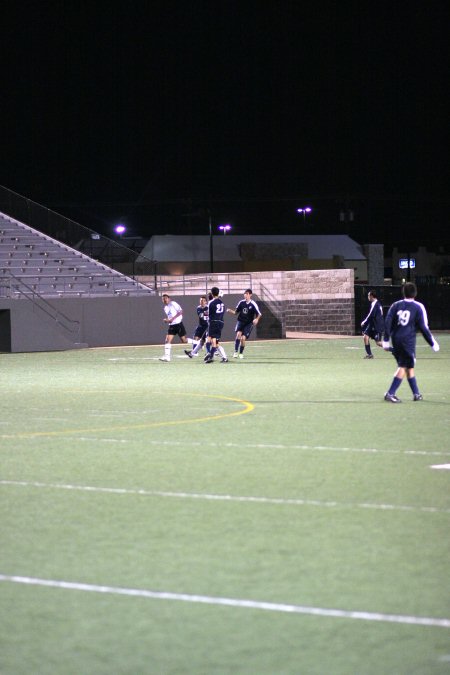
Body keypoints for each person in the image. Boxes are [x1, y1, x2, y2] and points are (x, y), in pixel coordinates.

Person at [382, 282, 439, 402]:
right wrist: (432, 343)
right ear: (415, 293)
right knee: (403, 365)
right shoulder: (418, 307)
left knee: (408, 366)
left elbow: (387, 322)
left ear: (403, 292)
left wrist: (386, 339)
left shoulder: (395, 305)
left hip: (396, 339)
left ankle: (416, 394)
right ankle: (390, 393)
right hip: (407, 341)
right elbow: (424, 328)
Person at [226, 288, 262, 359]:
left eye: (247, 294)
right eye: (244, 294)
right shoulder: (241, 302)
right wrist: (230, 311)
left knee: (243, 338)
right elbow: (236, 312)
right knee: (238, 334)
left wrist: (257, 319)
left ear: (250, 295)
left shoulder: (253, 304)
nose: (245, 295)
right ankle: (236, 352)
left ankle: (241, 353)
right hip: (240, 322)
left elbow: (259, 314)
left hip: (248, 324)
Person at [159, 293, 188, 361]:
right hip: (172, 326)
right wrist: (168, 320)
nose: (164, 300)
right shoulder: (165, 308)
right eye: (163, 299)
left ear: (169, 298)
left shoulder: (173, 303)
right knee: (167, 340)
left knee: (184, 340)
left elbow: (181, 311)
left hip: (178, 324)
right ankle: (167, 357)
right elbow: (170, 319)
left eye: (166, 298)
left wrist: (172, 319)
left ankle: (197, 343)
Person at [204, 287, 228, 363]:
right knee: (214, 341)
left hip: (213, 322)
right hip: (220, 322)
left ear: (212, 293)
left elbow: (208, 313)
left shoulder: (211, 302)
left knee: (211, 340)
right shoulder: (222, 303)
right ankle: (218, 356)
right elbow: (222, 312)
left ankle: (210, 356)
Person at [361, 290, 384, 359]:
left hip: (376, 325)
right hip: (372, 324)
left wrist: (364, 322)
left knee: (378, 343)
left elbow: (371, 315)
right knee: (365, 337)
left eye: (368, 295)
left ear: (371, 296)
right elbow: (381, 313)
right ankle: (369, 354)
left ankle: (395, 350)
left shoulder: (375, 304)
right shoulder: (376, 303)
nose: (368, 297)